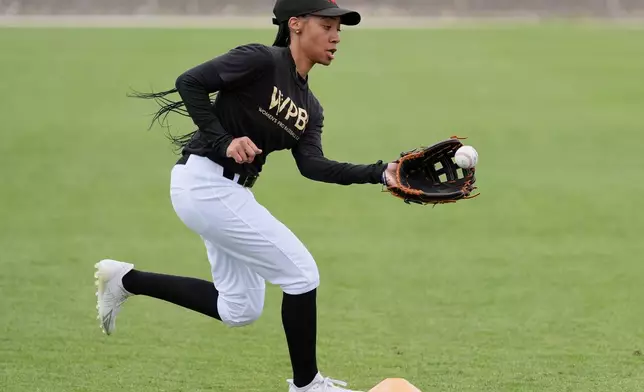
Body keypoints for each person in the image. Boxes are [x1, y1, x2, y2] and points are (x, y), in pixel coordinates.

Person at [94, 0, 398, 390]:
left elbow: (313, 166)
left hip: (224, 193)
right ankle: (307, 385)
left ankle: (125, 280)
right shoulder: (260, 60)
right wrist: (223, 141)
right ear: (297, 25)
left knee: (239, 308)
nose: (336, 36)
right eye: (327, 25)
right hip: (203, 184)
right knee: (302, 273)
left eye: (340, 28)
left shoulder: (310, 107)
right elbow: (190, 81)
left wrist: (379, 173)